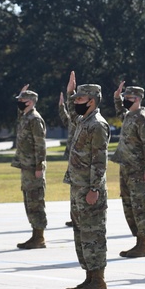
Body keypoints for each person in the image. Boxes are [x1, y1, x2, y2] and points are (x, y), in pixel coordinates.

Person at [63, 73, 111, 289]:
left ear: (92, 100)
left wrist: (94, 189)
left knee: (93, 234)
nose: (76, 103)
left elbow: (99, 160)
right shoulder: (84, 121)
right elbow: (71, 115)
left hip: (90, 189)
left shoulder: (98, 125)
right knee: (82, 233)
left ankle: (98, 281)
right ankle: (89, 278)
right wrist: (70, 92)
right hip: (78, 186)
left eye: (80, 99)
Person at [112, 83, 145, 258]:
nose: (125, 101)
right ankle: (138, 240)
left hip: (139, 170)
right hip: (126, 167)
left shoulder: (142, 119)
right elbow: (119, 112)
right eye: (124, 98)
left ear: (137, 99)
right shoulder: (129, 116)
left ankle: (144, 244)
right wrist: (116, 97)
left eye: (127, 98)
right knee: (128, 205)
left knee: (140, 206)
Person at [12, 86, 48, 250]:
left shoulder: (35, 119)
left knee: (35, 201)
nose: (19, 103)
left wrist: (39, 166)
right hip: (26, 167)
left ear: (31, 102)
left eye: (22, 100)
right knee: (29, 200)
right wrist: (21, 92)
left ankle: (39, 237)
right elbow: (19, 113)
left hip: (34, 168)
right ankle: (35, 234)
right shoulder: (25, 116)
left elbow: (40, 145)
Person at [59, 91, 77, 228]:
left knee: (78, 188)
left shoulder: (81, 119)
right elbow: (66, 119)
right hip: (71, 155)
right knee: (73, 188)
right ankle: (74, 217)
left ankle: (77, 217)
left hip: (78, 158)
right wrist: (61, 106)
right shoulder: (73, 119)